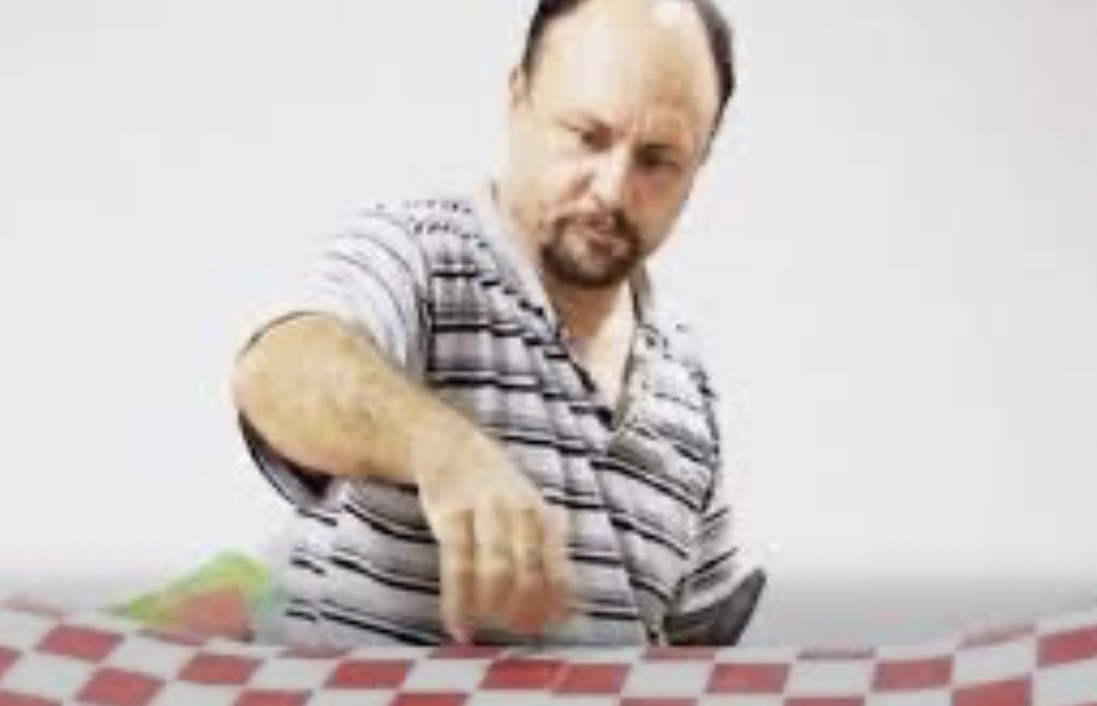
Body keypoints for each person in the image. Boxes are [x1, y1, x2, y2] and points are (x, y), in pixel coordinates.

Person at [232, 0, 762, 647]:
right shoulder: (421, 255)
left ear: (700, 162)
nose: (612, 190)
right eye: (586, 135)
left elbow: (694, 652)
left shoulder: (688, 382)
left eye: (657, 160)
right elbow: (279, 369)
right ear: (518, 99)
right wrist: (441, 447)